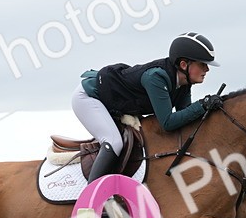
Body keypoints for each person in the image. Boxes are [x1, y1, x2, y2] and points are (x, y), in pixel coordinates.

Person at [72, 32, 223, 182]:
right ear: (184, 64)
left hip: (113, 102)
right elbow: (168, 123)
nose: (207, 70)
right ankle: (91, 198)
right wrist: (203, 104)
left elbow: (185, 117)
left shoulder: (183, 83)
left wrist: (208, 109)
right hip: (89, 96)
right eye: (203, 64)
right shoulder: (156, 77)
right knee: (113, 141)